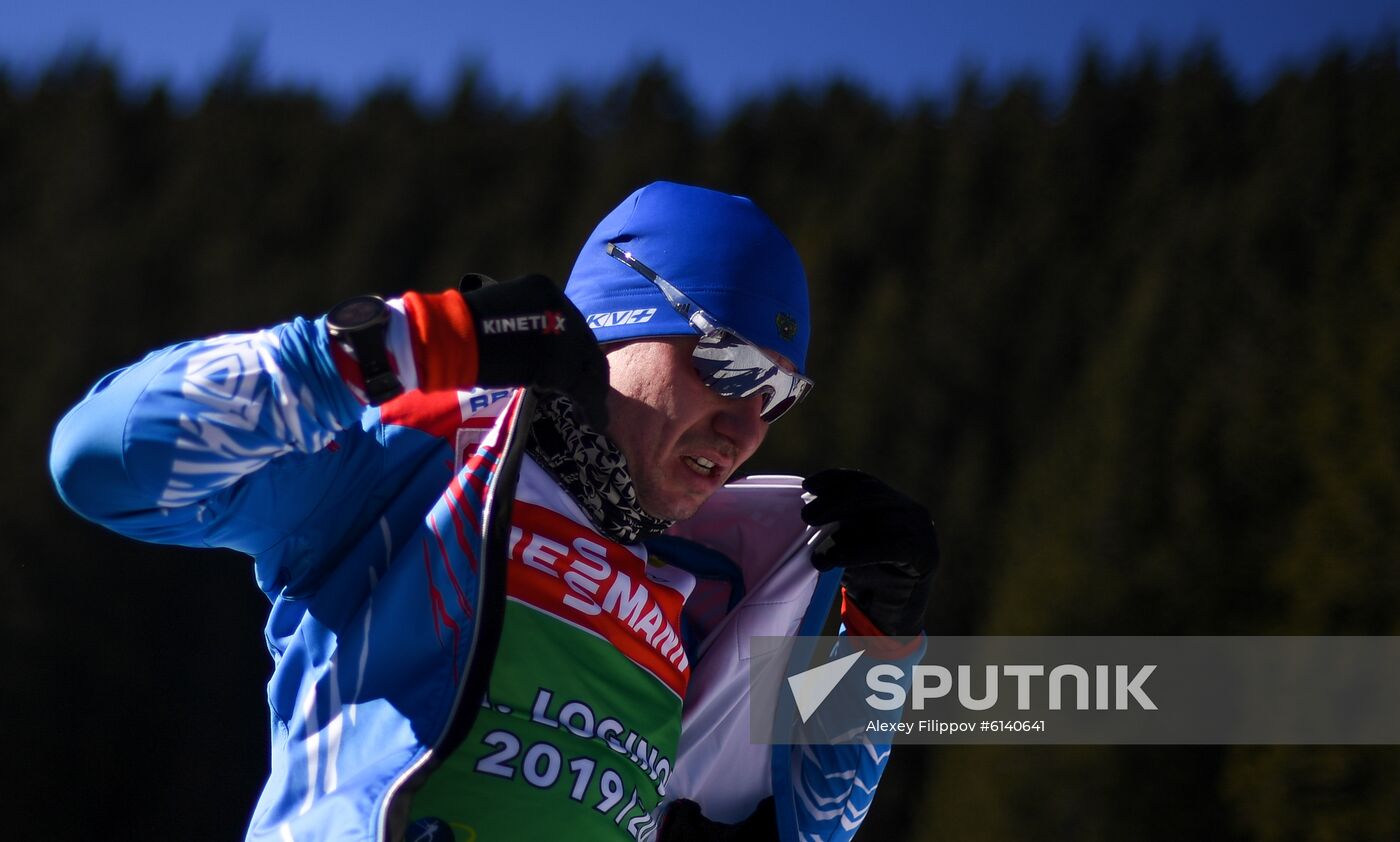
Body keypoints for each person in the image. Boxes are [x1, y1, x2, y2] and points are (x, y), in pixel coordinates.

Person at [50, 181, 938, 841]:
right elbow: (100, 461)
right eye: (732, 368)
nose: (750, 425)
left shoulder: (703, 583)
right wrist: (389, 348)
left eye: (781, 395)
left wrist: (879, 642)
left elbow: (810, 827)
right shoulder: (432, 451)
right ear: (623, 321)